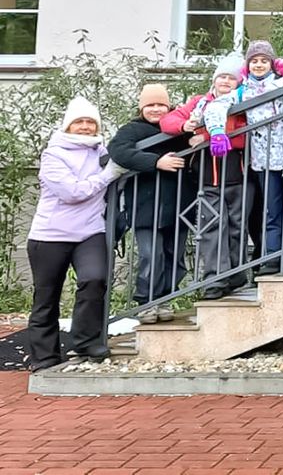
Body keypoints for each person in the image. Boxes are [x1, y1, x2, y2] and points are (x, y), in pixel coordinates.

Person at [26, 97, 126, 370]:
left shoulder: (101, 151)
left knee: (94, 280)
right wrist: (108, 176)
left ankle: (85, 341)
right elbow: (72, 192)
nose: (85, 127)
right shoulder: (53, 154)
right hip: (50, 236)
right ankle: (44, 358)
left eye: (90, 122)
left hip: (89, 232)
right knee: (47, 297)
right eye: (79, 122)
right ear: (68, 125)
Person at [205, 41, 283, 271]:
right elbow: (215, 106)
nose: (259, 65)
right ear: (248, 65)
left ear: (272, 64)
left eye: (264, 61)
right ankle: (272, 255)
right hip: (264, 161)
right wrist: (216, 131)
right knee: (272, 210)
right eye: (254, 61)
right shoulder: (243, 91)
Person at [161, 53, 250, 299]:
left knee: (236, 228)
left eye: (231, 78)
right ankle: (215, 279)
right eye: (221, 76)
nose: (225, 81)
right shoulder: (200, 103)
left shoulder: (242, 102)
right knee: (211, 228)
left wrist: (207, 136)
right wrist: (184, 127)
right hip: (207, 179)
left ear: (239, 82)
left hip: (237, 174)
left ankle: (236, 274)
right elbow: (168, 120)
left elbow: (246, 133)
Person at [108, 84, 192, 321]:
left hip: (178, 205)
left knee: (175, 258)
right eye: (150, 105)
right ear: (141, 107)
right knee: (150, 255)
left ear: (169, 106)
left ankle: (165, 300)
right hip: (146, 207)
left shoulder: (179, 129)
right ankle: (146, 302)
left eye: (161, 104)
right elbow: (118, 151)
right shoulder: (132, 130)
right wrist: (156, 162)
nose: (156, 109)